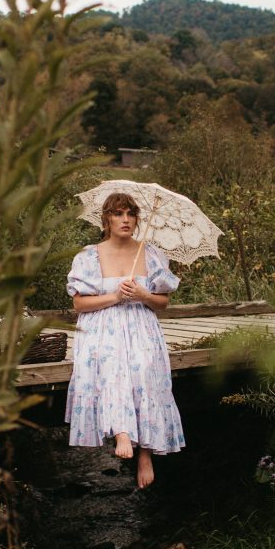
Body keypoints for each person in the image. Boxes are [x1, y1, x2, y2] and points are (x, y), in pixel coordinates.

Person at [65, 191, 185, 488]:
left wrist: (143, 294)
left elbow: (163, 303)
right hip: (101, 327)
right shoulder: (89, 256)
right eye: (118, 214)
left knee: (145, 372)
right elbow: (79, 305)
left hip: (140, 326)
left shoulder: (151, 254)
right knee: (112, 365)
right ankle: (122, 432)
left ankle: (146, 452)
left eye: (131, 214)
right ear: (106, 218)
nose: (125, 220)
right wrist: (116, 295)